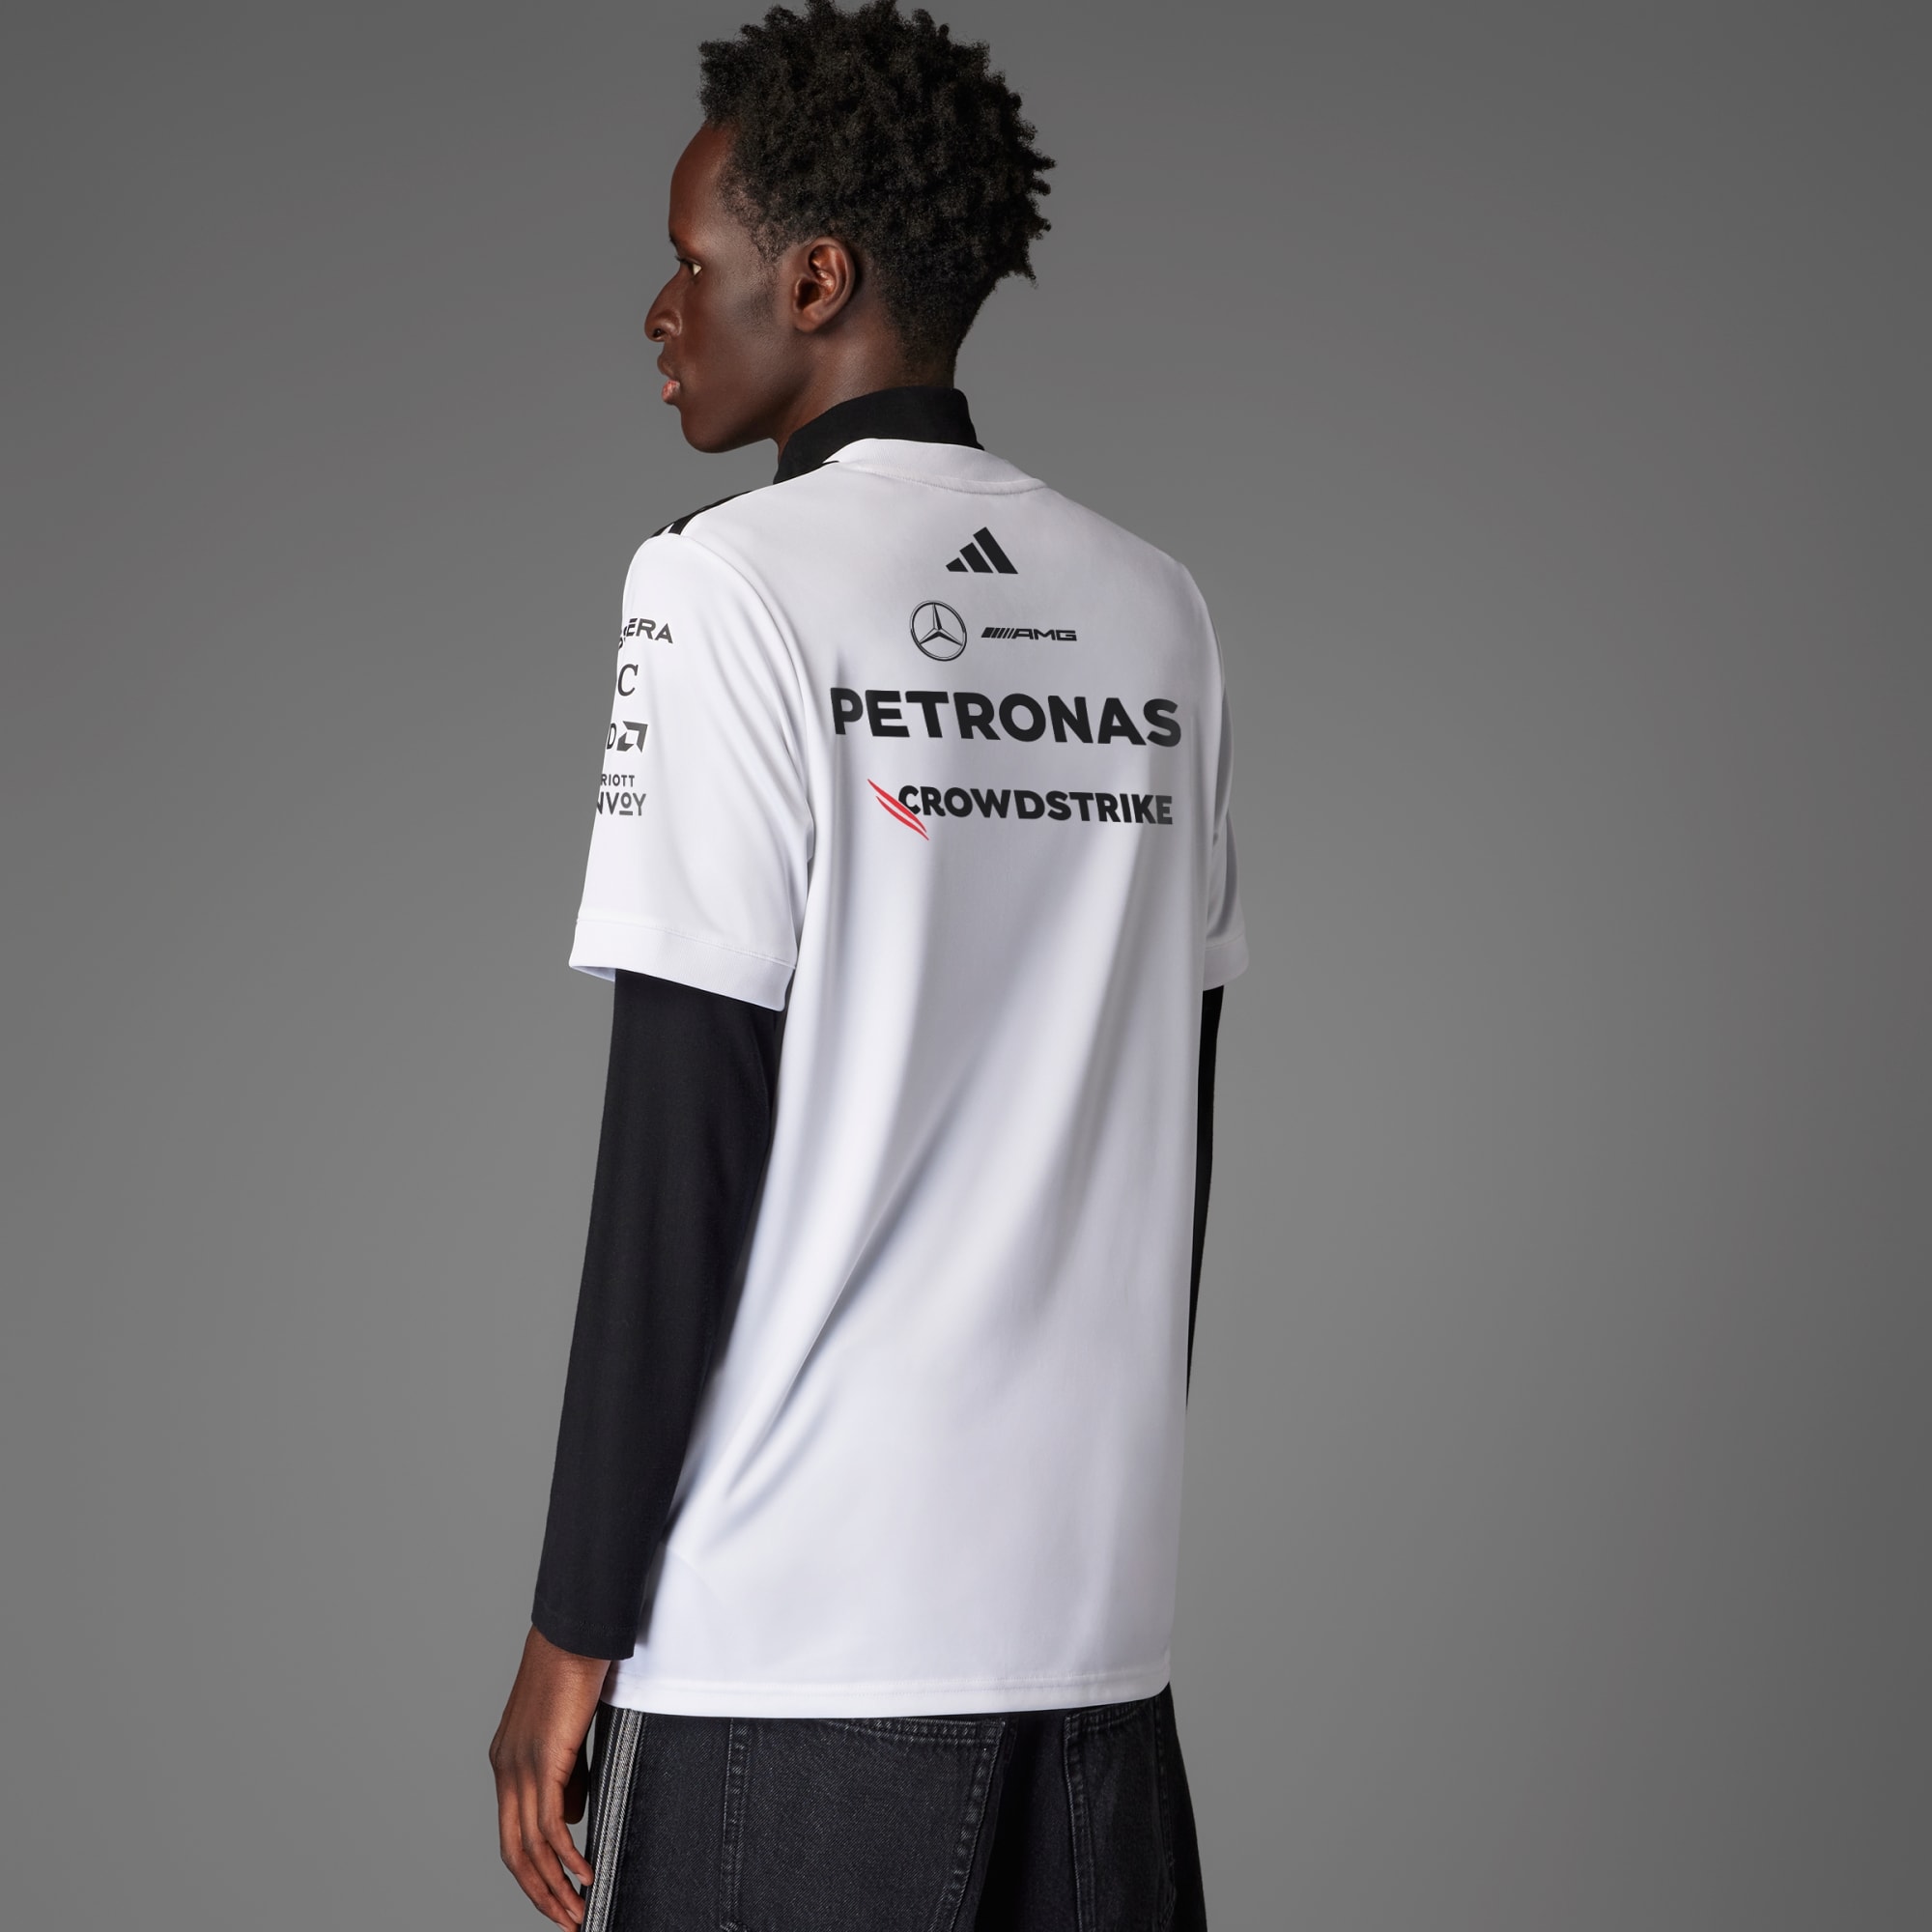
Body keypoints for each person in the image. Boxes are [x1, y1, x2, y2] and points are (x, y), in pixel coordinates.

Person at [488, 4, 1245, 1924]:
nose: (661, 312)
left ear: (815, 281)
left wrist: (573, 1625)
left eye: (692, 264)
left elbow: (679, 1150)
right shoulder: (1158, 615)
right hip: (1094, 1652)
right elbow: (1175, 1138)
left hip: (794, 1659)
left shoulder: (724, 591)